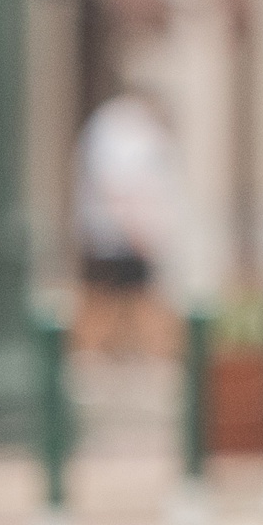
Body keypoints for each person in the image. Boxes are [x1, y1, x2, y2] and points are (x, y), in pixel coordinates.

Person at [73, 80, 184, 357]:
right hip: (120, 235)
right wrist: (137, 231)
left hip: (118, 232)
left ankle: (97, 355)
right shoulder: (126, 130)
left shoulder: (117, 126)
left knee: (117, 300)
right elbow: (119, 185)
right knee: (121, 300)